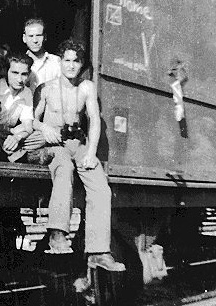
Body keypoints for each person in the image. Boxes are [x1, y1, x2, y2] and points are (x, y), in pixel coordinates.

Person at [32, 39, 124, 272]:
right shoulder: (46, 88)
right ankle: (57, 234)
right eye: (67, 60)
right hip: (55, 144)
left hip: (78, 143)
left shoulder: (86, 88)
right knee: (65, 168)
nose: (71, 65)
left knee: (101, 188)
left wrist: (91, 152)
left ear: (81, 64)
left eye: (76, 61)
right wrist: (44, 129)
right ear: (60, 61)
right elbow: (30, 119)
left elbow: (94, 120)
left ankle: (98, 252)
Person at [23, 18, 61, 91]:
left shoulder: (56, 61)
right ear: (24, 38)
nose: (35, 40)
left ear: (45, 37)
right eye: (31, 36)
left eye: (38, 35)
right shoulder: (19, 64)